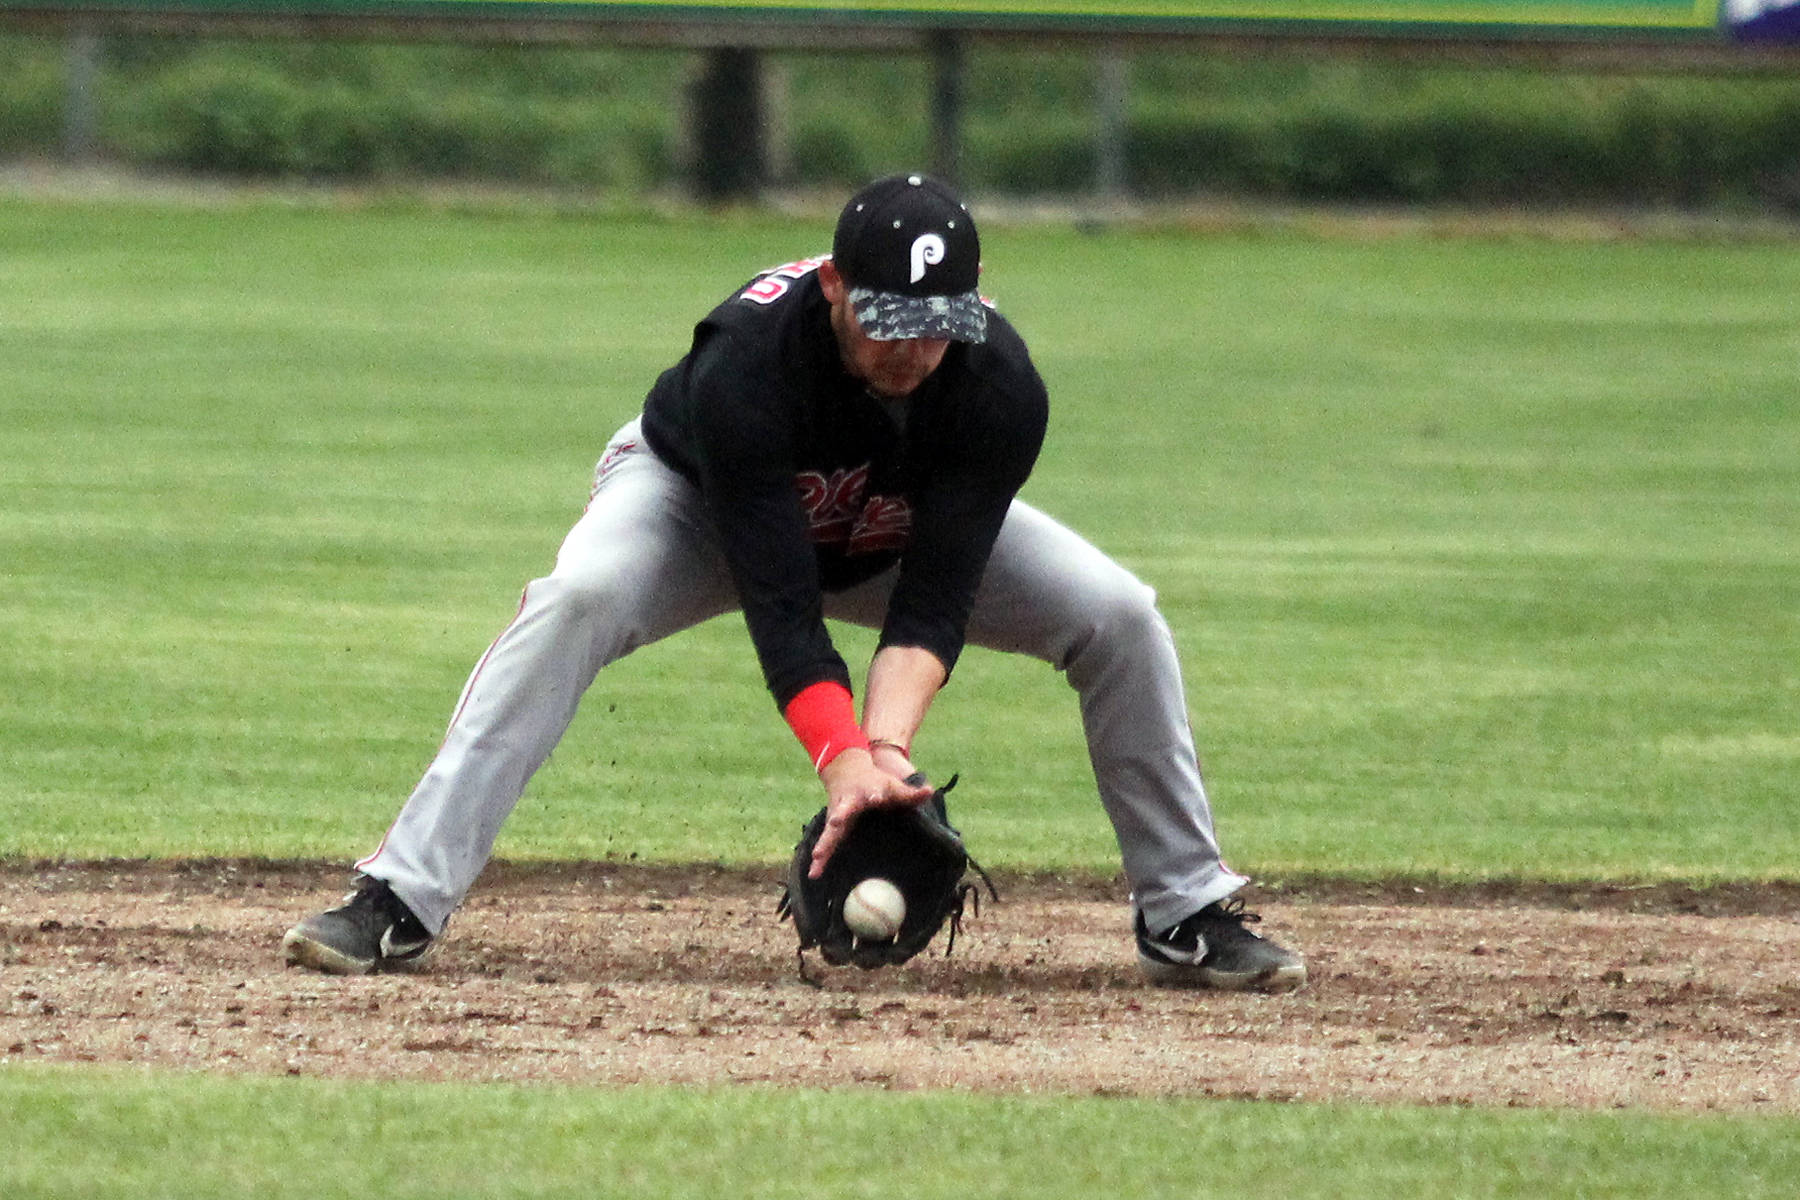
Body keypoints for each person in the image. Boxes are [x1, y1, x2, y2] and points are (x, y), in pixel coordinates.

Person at [282, 173, 1306, 992]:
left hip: (886, 529)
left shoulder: (997, 389)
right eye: (886, 317)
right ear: (831, 286)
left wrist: (890, 753)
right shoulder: (748, 363)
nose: (912, 346)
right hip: (694, 509)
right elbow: (781, 603)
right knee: (577, 601)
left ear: (979, 299)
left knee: (1119, 615)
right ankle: (399, 899)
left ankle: (1185, 914)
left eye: (937, 320)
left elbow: (935, 597)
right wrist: (840, 761)